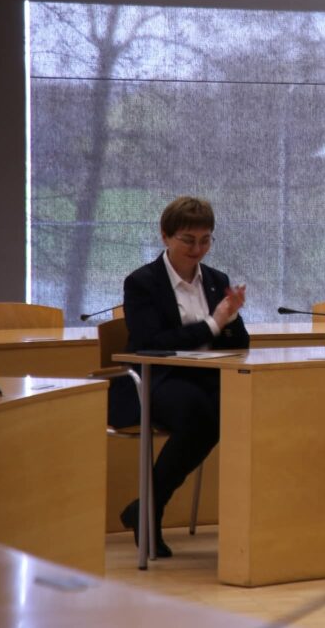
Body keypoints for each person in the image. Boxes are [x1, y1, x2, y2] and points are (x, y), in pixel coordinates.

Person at [113, 196, 249, 557]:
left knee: (238, 405)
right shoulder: (142, 282)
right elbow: (151, 344)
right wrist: (212, 323)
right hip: (155, 377)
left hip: (205, 378)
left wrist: (232, 318)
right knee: (199, 415)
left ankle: (145, 508)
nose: (197, 249)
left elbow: (239, 344)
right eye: (188, 240)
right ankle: (150, 510)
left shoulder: (216, 280)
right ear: (165, 236)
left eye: (205, 240)